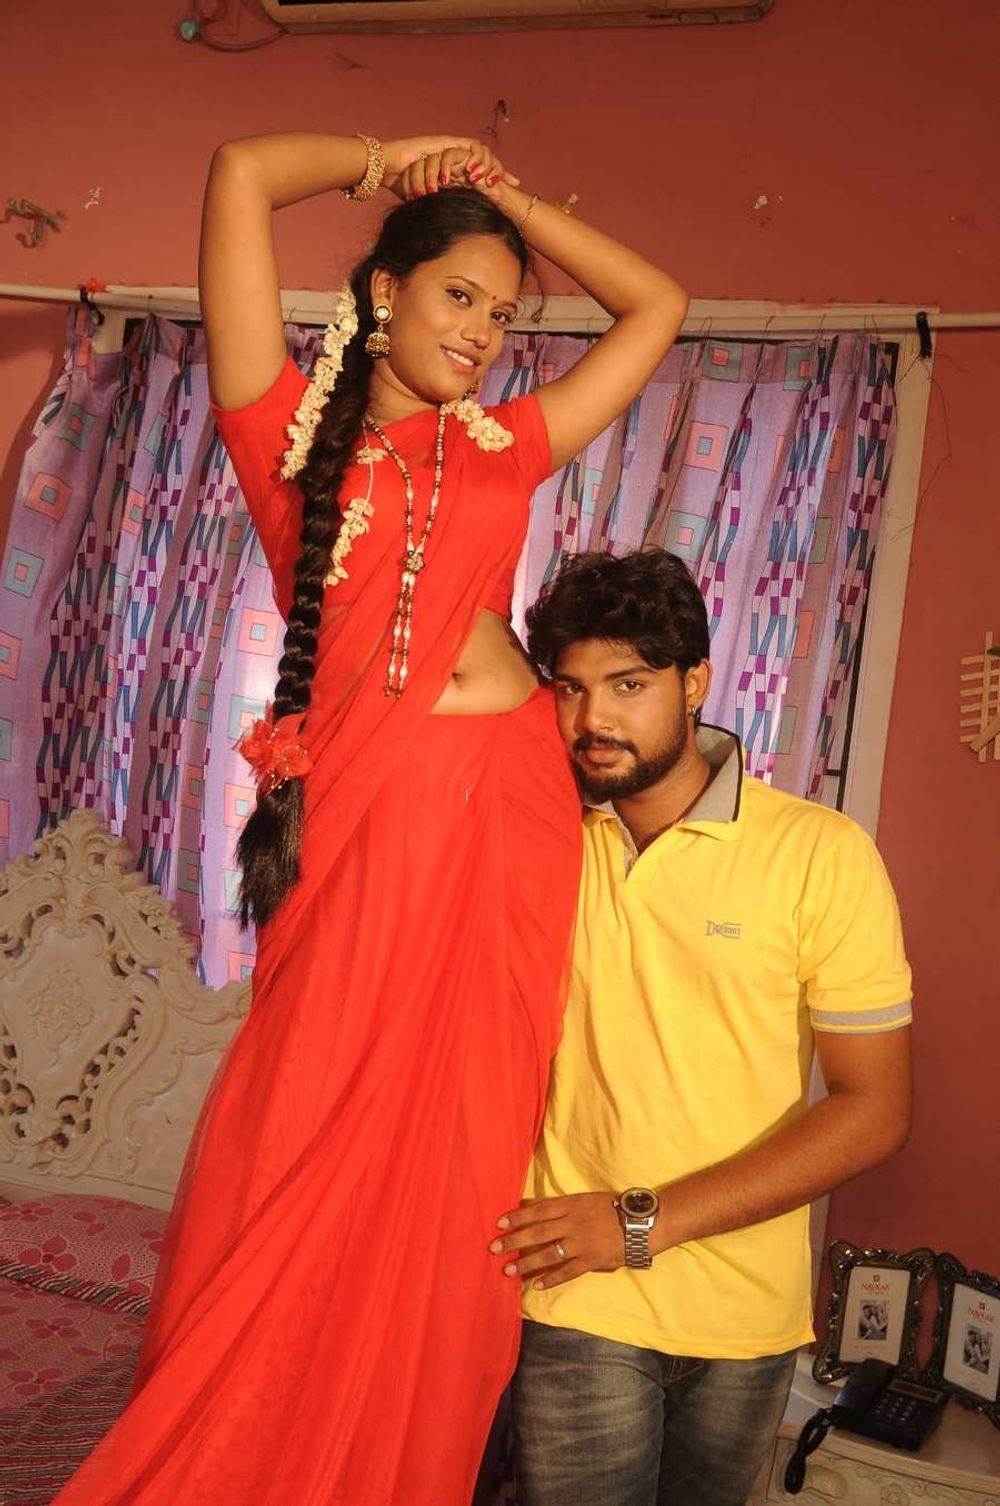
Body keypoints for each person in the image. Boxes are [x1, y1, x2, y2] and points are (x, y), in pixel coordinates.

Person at [51, 139, 688, 1506]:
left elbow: (658, 307)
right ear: (385, 292)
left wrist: (511, 199)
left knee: (461, 1153)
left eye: (503, 313)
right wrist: (388, 159)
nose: (483, 333)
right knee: (309, 1119)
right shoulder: (281, 434)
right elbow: (236, 174)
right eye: (460, 296)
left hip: (512, 812)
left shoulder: (508, 444)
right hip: (372, 814)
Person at [490, 549, 913, 1506]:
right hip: (578, 1293)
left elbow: (876, 1110)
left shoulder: (821, 854)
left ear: (695, 683)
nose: (593, 720)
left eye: (629, 684)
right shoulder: (541, 838)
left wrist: (637, 1225)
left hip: (745, 1315)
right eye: (571, 688)